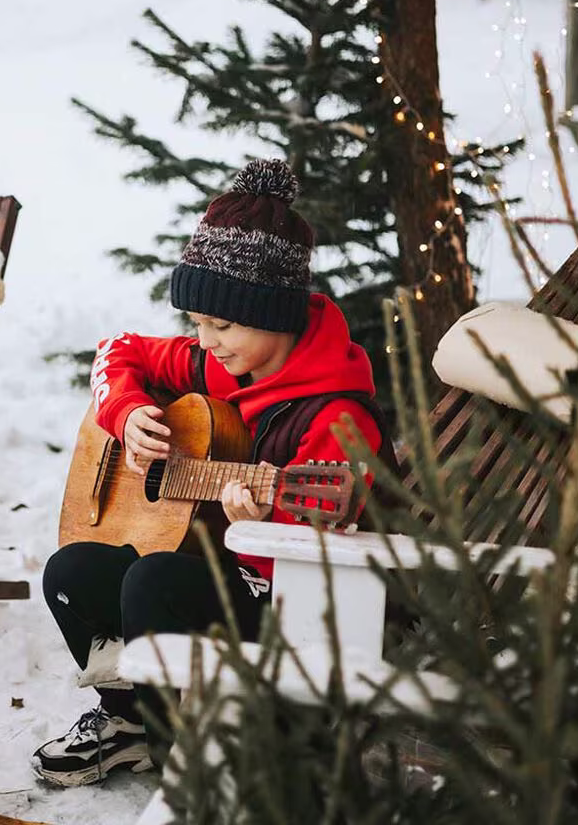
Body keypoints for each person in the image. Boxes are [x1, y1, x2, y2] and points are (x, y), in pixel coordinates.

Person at [33, 158, 390, 788]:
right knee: (70, 572)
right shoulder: (219, 364)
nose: (204, 341)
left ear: (275, 315)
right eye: (197, 324)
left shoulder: (337, 415)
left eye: (220, 324)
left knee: (152, 581)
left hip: (295, 605)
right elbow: (116, 350)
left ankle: (189, 768)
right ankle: (129, 720)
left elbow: (329, 556)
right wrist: (127, 410)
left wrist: (257, 530)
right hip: (230, 568)